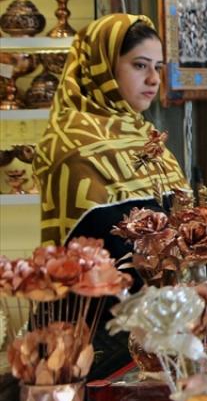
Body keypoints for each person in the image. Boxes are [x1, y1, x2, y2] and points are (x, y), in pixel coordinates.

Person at [34, 14, 188, 250]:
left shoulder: (146, 136)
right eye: (140, 65)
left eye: (157, 67)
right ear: (102, 67)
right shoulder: (71, 145)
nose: (154, 79)